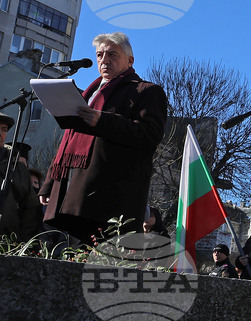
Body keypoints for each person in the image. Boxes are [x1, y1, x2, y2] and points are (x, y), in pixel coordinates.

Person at [39, 32, 168, 244]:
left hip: (111, 196)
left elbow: (149, 135)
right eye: (100, 55)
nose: (104, 60)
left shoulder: (147, 91)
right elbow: (69, 140)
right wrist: (50, 183)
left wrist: (103, 120)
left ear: (130, 60)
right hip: (73, 190)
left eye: (112, 54)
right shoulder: (87, 93)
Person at [0, 112, 42, 242]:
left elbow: (31, 208)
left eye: (4, 129)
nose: (0, 134)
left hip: (9, 244)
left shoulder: (18, 168)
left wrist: (22, 240)